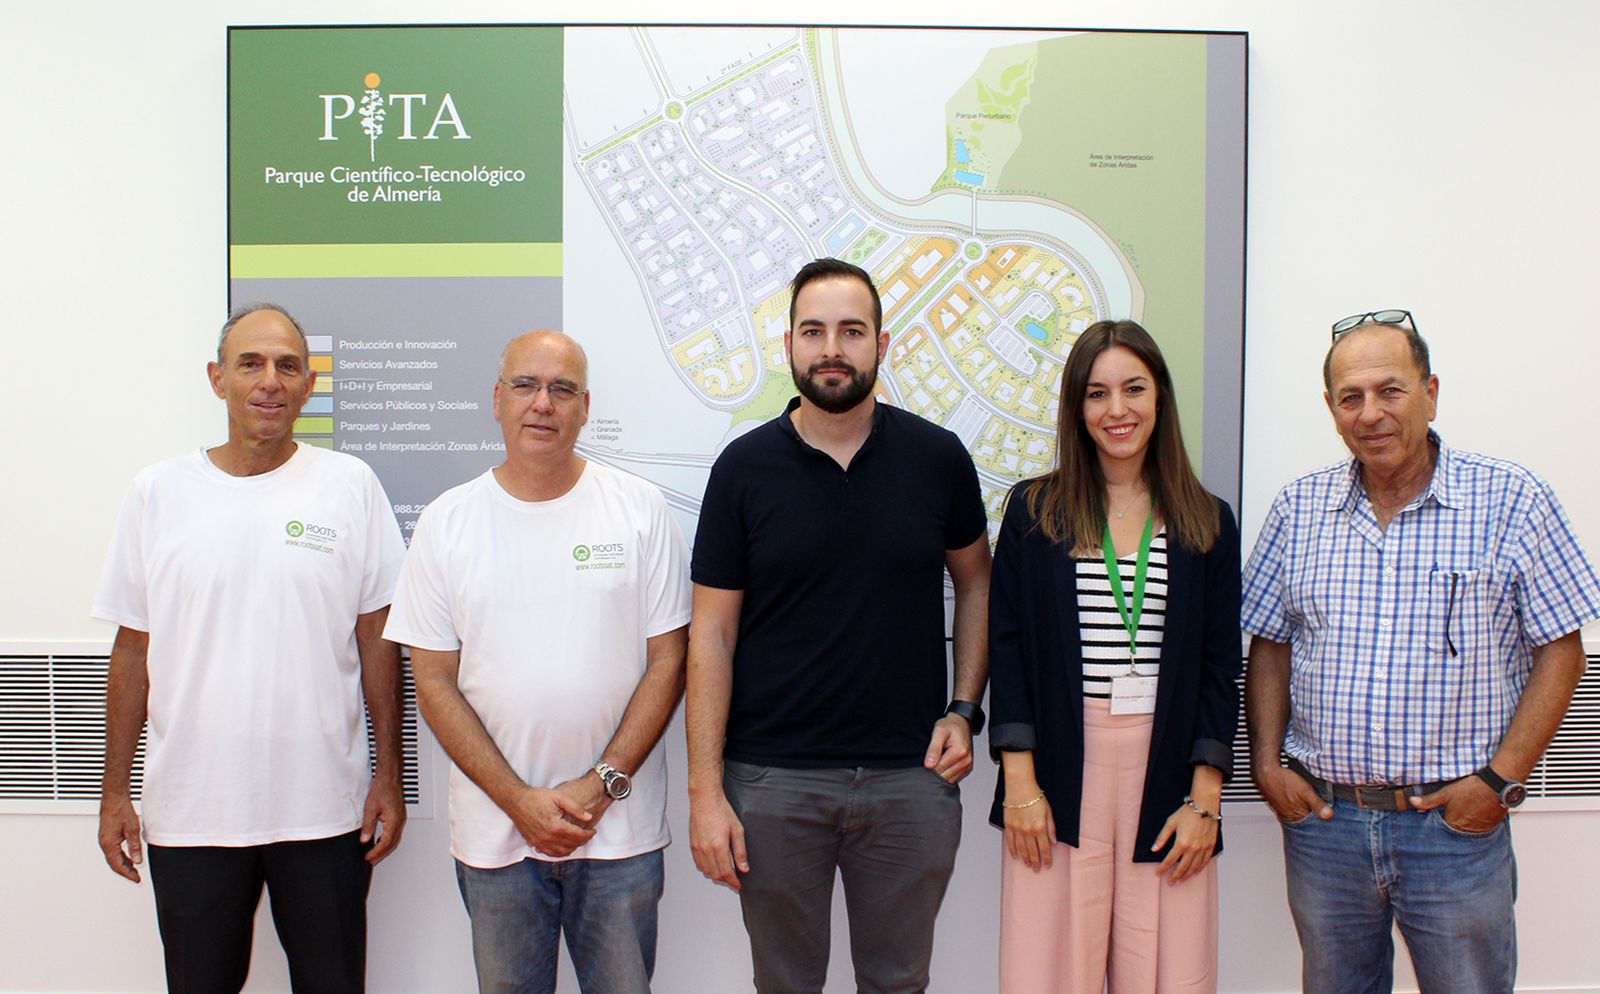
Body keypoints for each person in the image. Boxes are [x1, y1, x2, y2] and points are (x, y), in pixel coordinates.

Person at [1241, 310, 1600, 994]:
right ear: (1331, 409)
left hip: (1453, 830)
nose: (1371, 412)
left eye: (1390, 390)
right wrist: (1264, 764)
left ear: (1430, 391)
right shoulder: (1297, 510)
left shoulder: (1513, 500)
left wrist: (1499, 783)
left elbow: (1563, 650)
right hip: (1325, 826)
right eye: (1352, 397)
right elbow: (1270, 644)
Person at [686, 258, 992, 994]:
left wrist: (963, 709)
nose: (833, 349)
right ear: (789, 344)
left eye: (851, 331)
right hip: (771, 783)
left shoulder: (938, 458)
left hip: (908, 781)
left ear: (882, 345)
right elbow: (711, 635)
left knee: (897, 982)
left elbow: (977, 583)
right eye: (814, 331)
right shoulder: (743, 469)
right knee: (786, 985)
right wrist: (704, 793)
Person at [93, 303, 408, 994]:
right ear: (217, 379)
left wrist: (389, 775)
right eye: (251, 363)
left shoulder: (349, 485)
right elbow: (131, 647)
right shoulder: (157, 493)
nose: (270, 380)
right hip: (193, 810)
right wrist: (115, 791)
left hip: (325, 809)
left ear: (308, 384)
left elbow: (379, 638)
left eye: (287, 366)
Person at [384, 330, 691, 994]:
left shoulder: (638, 511)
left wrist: (600, 786)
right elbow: (432, 680)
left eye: (562, 389)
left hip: (618, 835)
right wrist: (518, 801)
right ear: (497, 400)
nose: (542, 404)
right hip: (496, 840)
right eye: (525, 385)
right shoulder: (446, 523)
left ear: (585, 407)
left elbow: (669, 662)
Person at [987, 319, 1241, 993]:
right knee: (1048, 966)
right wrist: (1021, 785)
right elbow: (1007, 652)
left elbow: (1220, 668)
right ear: (1077, 408)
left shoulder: (1207, 521)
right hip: (1060, 770)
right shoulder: (1034, 512)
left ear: (1160, 398)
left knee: (1168, 964)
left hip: (1168, 770)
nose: (1117, 409)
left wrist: (1205, 804)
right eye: (1097, 394)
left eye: (1134, 388)